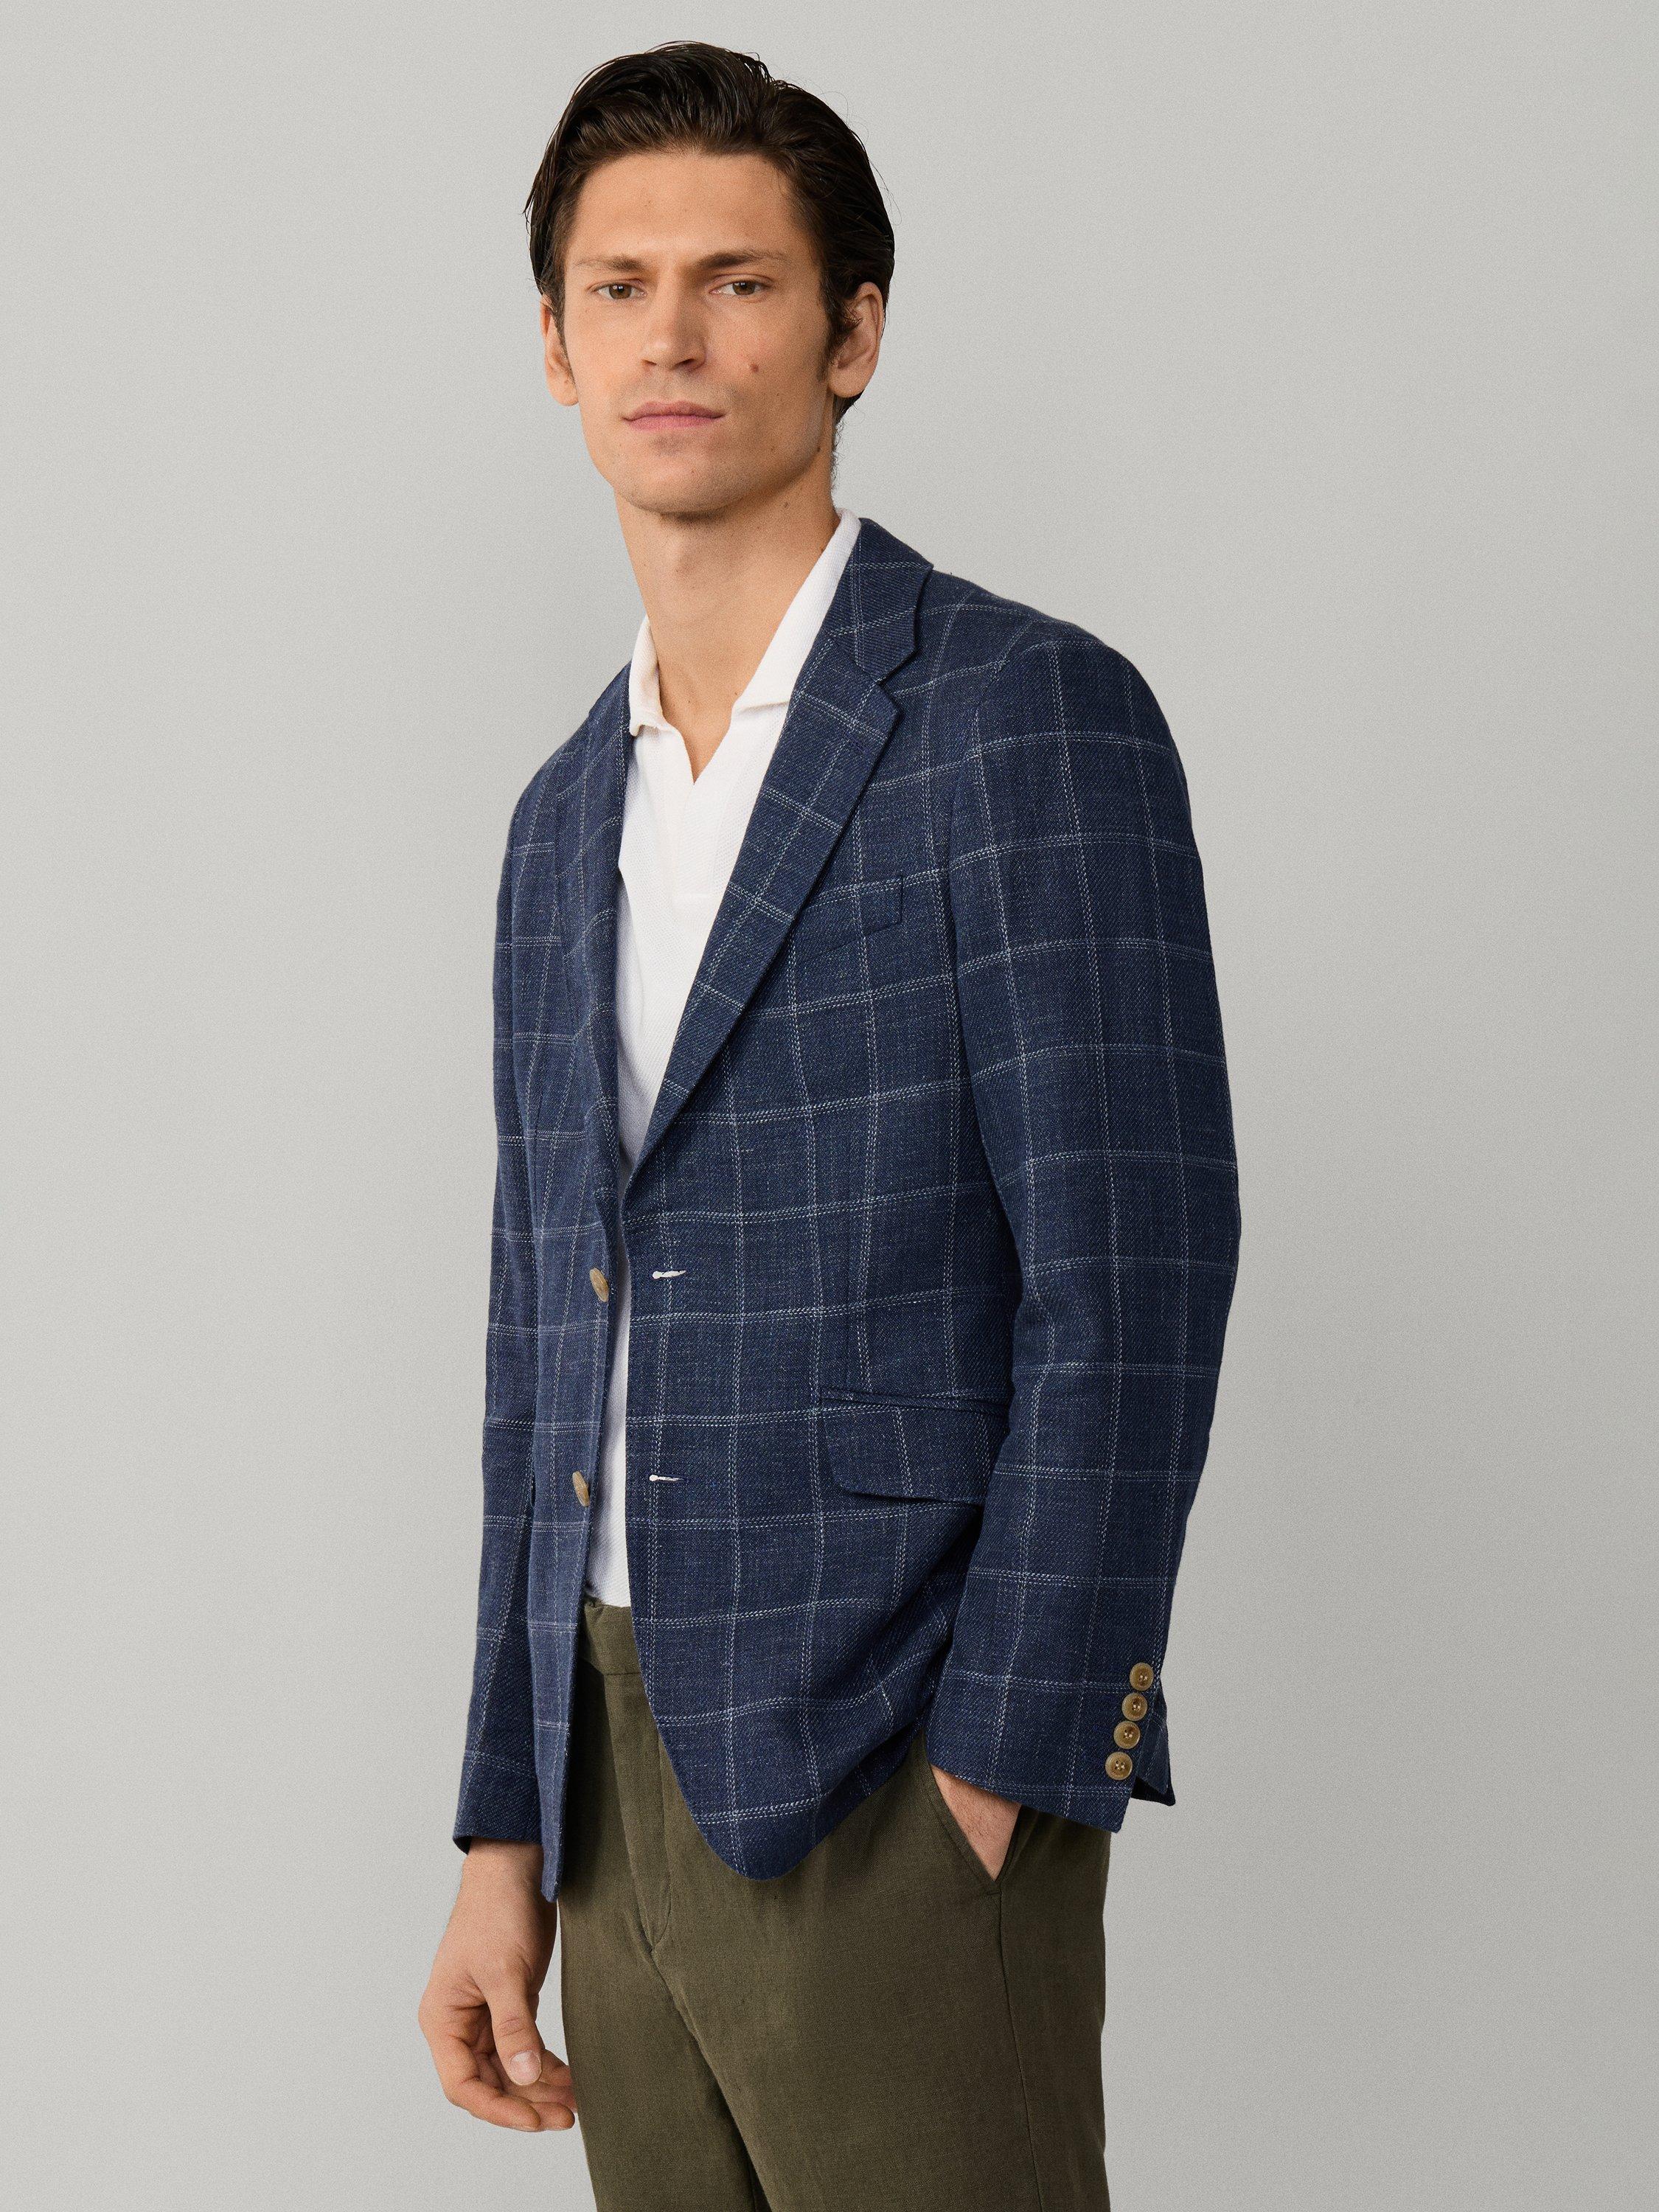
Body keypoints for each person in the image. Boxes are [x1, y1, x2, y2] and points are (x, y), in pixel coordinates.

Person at [418, 39, 1240, 2211]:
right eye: (617, 289)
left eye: (740, 283)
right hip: (610, 1774)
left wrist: (1008, 1763)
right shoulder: (560, 815)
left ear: (852, 332)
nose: (670, 338)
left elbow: (1134, 1277)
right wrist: (504, 1831)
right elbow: (543, 1344)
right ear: (555, 347)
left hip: (898, 1752)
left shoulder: (1019, 715)